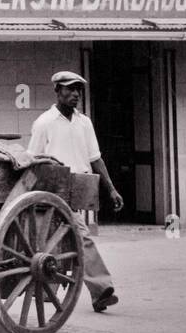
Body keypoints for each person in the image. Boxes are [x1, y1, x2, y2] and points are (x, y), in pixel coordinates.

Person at [27, 72, 122, 313]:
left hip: (78, 190)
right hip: (53, 191)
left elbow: (95, 159)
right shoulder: (44, 123)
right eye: (70, 89)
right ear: (57, 91)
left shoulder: (84, 123)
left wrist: (111, 189)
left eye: (78, 89)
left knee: (58, 241)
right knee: (81, 236)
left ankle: (49, 287)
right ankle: (101, 289)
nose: (76, 94)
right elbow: (32, 160)